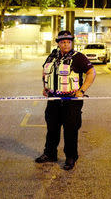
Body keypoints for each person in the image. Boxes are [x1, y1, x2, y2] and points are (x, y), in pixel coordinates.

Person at [36, 30, 96, 170]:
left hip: (71, 101)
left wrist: (81, 90)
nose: (66, 44)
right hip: (53, 99)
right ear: (58, 43)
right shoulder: (52, 57)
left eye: (68, 42)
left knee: (70, 130)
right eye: (63, 42)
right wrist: (45, 87)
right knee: (52, 129)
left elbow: (91, 72)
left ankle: (71, 157)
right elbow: (45, 72)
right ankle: (50, 153)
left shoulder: (78, 57)